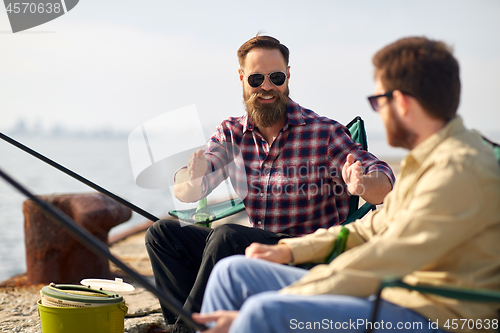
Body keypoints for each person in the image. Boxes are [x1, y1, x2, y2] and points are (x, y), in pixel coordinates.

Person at [194, 36, 500, 333]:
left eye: (377, 101)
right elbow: (371, 228)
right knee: (230, 273)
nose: (377, 112)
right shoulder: (428, 160)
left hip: (432, 315)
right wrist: (289, 250)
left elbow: (384, 259)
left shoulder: (455, 169)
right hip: (393, 296)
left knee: (262, 312)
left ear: (402, 103)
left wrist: (284, 298)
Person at [145, 35, 395, 332]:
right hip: (255, 249)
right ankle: (188, 325)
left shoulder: (323, 133)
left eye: (276, 77)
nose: (266, 86)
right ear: (242, 79)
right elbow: (187, 193)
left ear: (288, 76)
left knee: (226, 237)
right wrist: (192, 176)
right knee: (162, 234)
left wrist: (362, 184)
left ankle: (185, 331)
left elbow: (384, 180)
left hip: (304, 254)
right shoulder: (232, 132)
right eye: (256, 78)